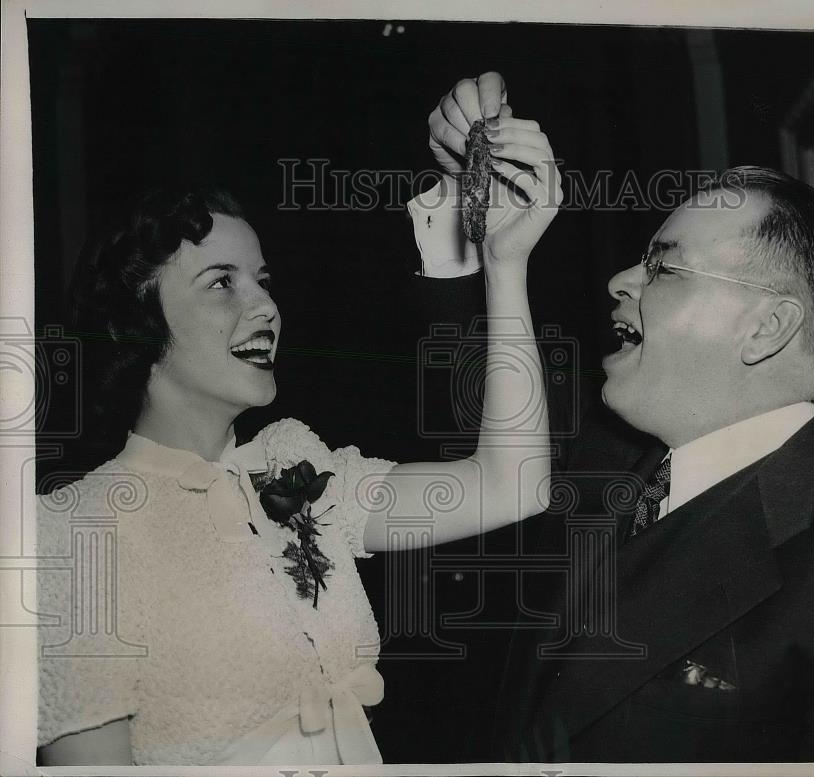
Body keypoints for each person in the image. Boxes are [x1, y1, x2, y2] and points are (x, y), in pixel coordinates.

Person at [419, 81, 814, 763]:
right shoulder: (602, 459)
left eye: (664, 266)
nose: (621, 279)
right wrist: (466, 206)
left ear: (765, 327)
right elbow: (472, 421)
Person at [35, 74, 561, 766]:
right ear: (136, 325)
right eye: (223, 282)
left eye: (263, 279)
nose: (264, 307)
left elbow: (514, 483)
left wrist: (505, 263)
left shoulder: (293, 462)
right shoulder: (75, 532)